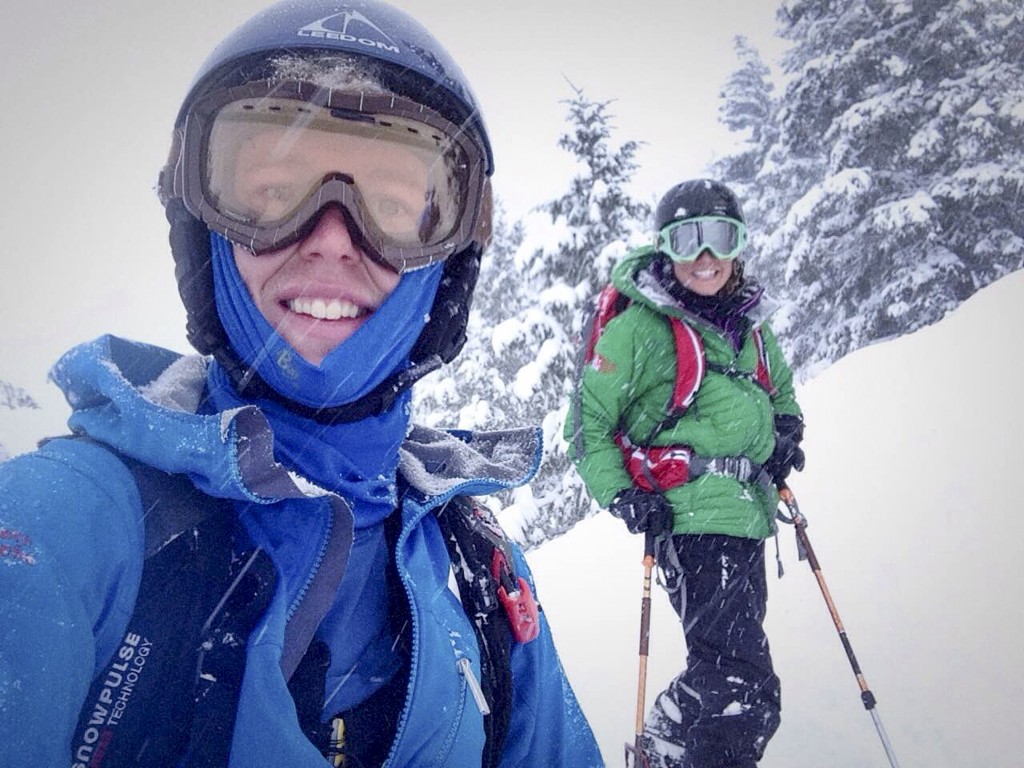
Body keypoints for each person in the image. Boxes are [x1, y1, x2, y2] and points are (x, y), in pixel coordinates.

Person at [0, 1, 603, 766]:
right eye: (275, 192)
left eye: (390, 208)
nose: (329, 240)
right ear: (202, 229)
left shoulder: (480, 575)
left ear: (449, 266)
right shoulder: (64, 529)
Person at [565, 179, 805, 768]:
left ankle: (670, 745)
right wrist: (622, 495)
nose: (704, 257)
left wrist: (787, 435)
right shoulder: (640, 330)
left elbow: (784, 397)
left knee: (725, 669)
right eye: (686, 239)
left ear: (738, 247)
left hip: (748, 516)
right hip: (689, 519)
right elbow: (587, 426)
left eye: (719, 238)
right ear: (666, 247)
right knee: (743, 687)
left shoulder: (751, 327)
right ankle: (679, 748)